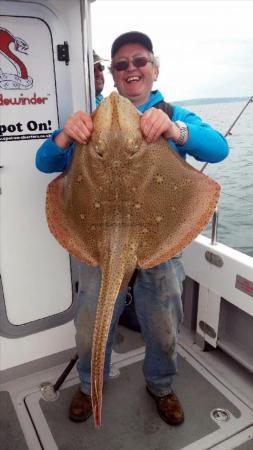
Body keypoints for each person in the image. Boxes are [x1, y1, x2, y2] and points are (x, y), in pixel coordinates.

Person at [35, 32, 229, 426]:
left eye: (139, 61)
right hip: (99, 243)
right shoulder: (89, 118)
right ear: (113, 74)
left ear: (154, 69)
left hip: (160, 243)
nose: (131, 70)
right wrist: (66, 134)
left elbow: (218, 150)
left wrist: (176, 132)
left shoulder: (173, 114)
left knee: (163, 324)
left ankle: (161, 385)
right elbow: (45, 162)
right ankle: (91, 387)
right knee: (91, 323)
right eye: (121, 64)